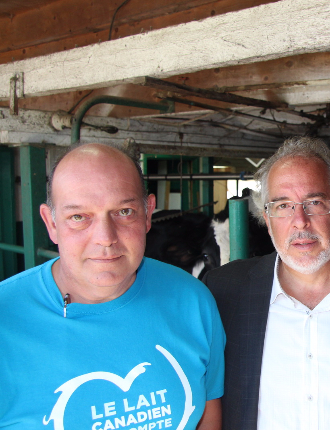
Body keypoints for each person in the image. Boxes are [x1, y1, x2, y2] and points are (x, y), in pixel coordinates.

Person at [0, 143, 225, 430]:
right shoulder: (5, 320)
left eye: (124, 212)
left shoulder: (193, 302)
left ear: (148, 214)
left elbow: (208, 416)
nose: (105, 238)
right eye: (79, 217)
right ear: (51, 223)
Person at [202, 136, 330, 430]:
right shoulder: (222, 290)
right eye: (283, 205)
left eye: (314, 202)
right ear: (267, 218)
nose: (300, 221)